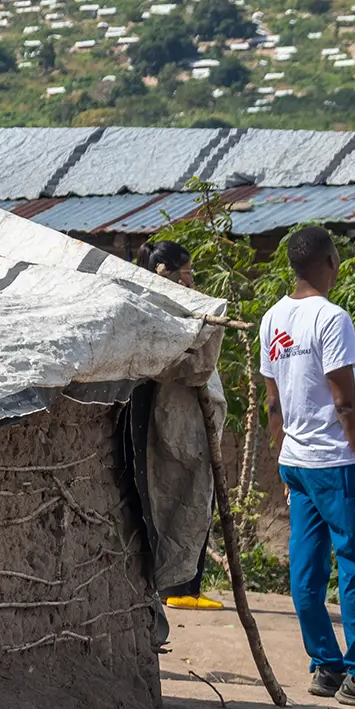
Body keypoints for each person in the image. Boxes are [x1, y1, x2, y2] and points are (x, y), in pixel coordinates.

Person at [260, 225, 355, 709]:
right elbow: (346, 405)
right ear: (330, 261)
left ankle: (326, 666)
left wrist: (284, 460)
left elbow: (273, 405)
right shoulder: (332, 318)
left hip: (298, 466)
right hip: (338, 464)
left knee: (306, 572)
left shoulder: (272, 319)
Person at [140, 239, 225, 612]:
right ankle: (178, 586)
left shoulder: (179, 309)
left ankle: (185, 584)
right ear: (169, 272)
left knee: (194, 502)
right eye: (188, 272)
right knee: (178, 500)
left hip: (188, 426)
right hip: (175, 426)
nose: (192, 282)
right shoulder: (159, 310)